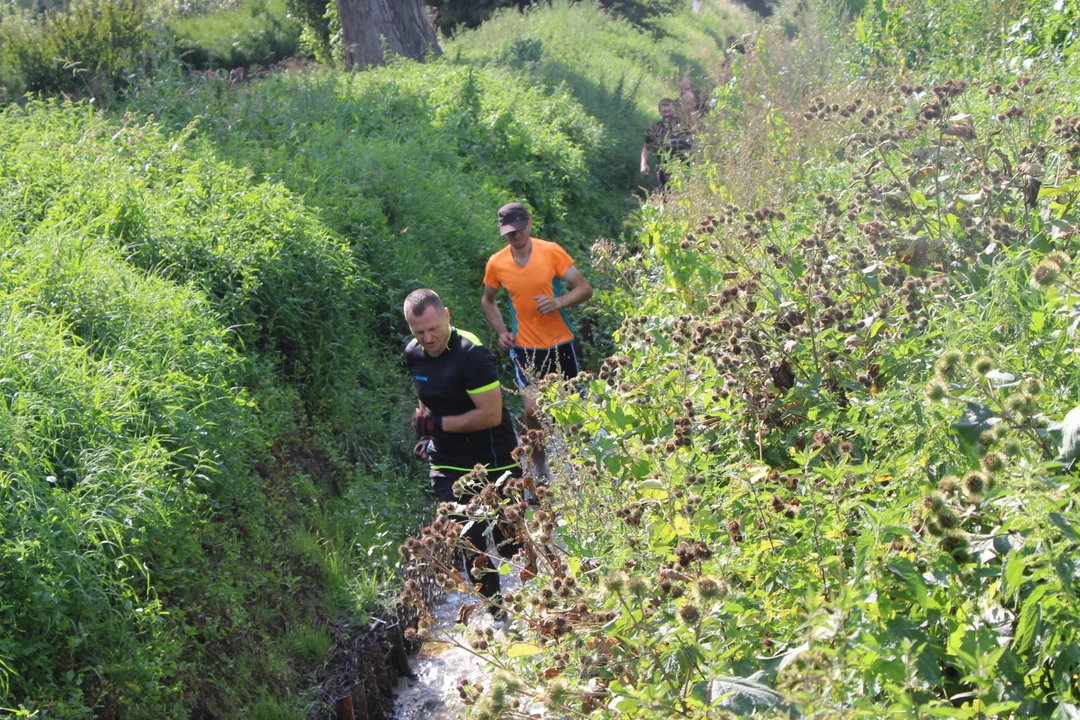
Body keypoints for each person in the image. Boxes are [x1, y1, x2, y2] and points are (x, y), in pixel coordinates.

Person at [403, 288, 521, 602]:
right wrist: (429, 435)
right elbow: (426, 398)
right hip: (447, 460)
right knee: (468, 540)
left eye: (433, 329)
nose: (427, 338)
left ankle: (534, 606)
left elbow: (491, 415)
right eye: (419, 332)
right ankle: (497, 617)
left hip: (493, 458)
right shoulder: (413, 354)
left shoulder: (472, 354)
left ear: (447, 316)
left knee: (510, 543)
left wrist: (438, 425)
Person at [481, 203, 593, 480]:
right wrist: (502, 331)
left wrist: (558, 302)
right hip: (525, 348)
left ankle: (584, 469)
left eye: (519, 229)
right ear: (502, 231)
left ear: (529, 224)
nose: (515, 236)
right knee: (532, 410)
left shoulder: (550, 251)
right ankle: (541, 467)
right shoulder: (497, 263)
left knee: (571, 411)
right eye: (509, 232)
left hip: (561, 343)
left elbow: (584, 289)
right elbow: (488, 301)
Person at [641, 98, 694, 191]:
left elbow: (696, 141)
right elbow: (646, 147)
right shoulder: (655, 129)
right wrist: (644, 164)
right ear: (660, 112)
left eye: (670, 111)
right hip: (664, 171)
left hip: (685, 169)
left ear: (674, 110)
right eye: (664, 111)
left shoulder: (685, 125)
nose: (667, 114)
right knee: (666, 198)